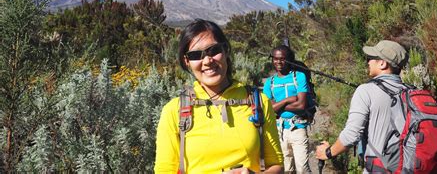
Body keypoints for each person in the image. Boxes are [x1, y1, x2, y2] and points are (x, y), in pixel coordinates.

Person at [154, 19, 283, 173]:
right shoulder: (174, 111)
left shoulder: (258, 102)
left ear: (226, 50)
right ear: (186, 61)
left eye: (214, 50)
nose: (208, 60)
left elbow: (276, 165)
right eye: (196, 55)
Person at [315, 40, 408, 173]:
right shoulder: (411, 92)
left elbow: (352, 135)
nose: (368, 62)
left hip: (380, 167)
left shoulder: (365, 90)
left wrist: (328, 152)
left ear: (383, 63)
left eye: (372, 58)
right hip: (409, 166)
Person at [263, 45, 312, 173]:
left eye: (283, 58)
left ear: (289, 59)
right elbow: (269, 109)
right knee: (286, 169)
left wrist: (278, 105)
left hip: (298, 128)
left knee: (302, 168)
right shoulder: (269, 82)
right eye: (275, 58)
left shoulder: (299, 76)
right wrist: (288, 100)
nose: (279, 62)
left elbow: (301, 106)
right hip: (279, 131)